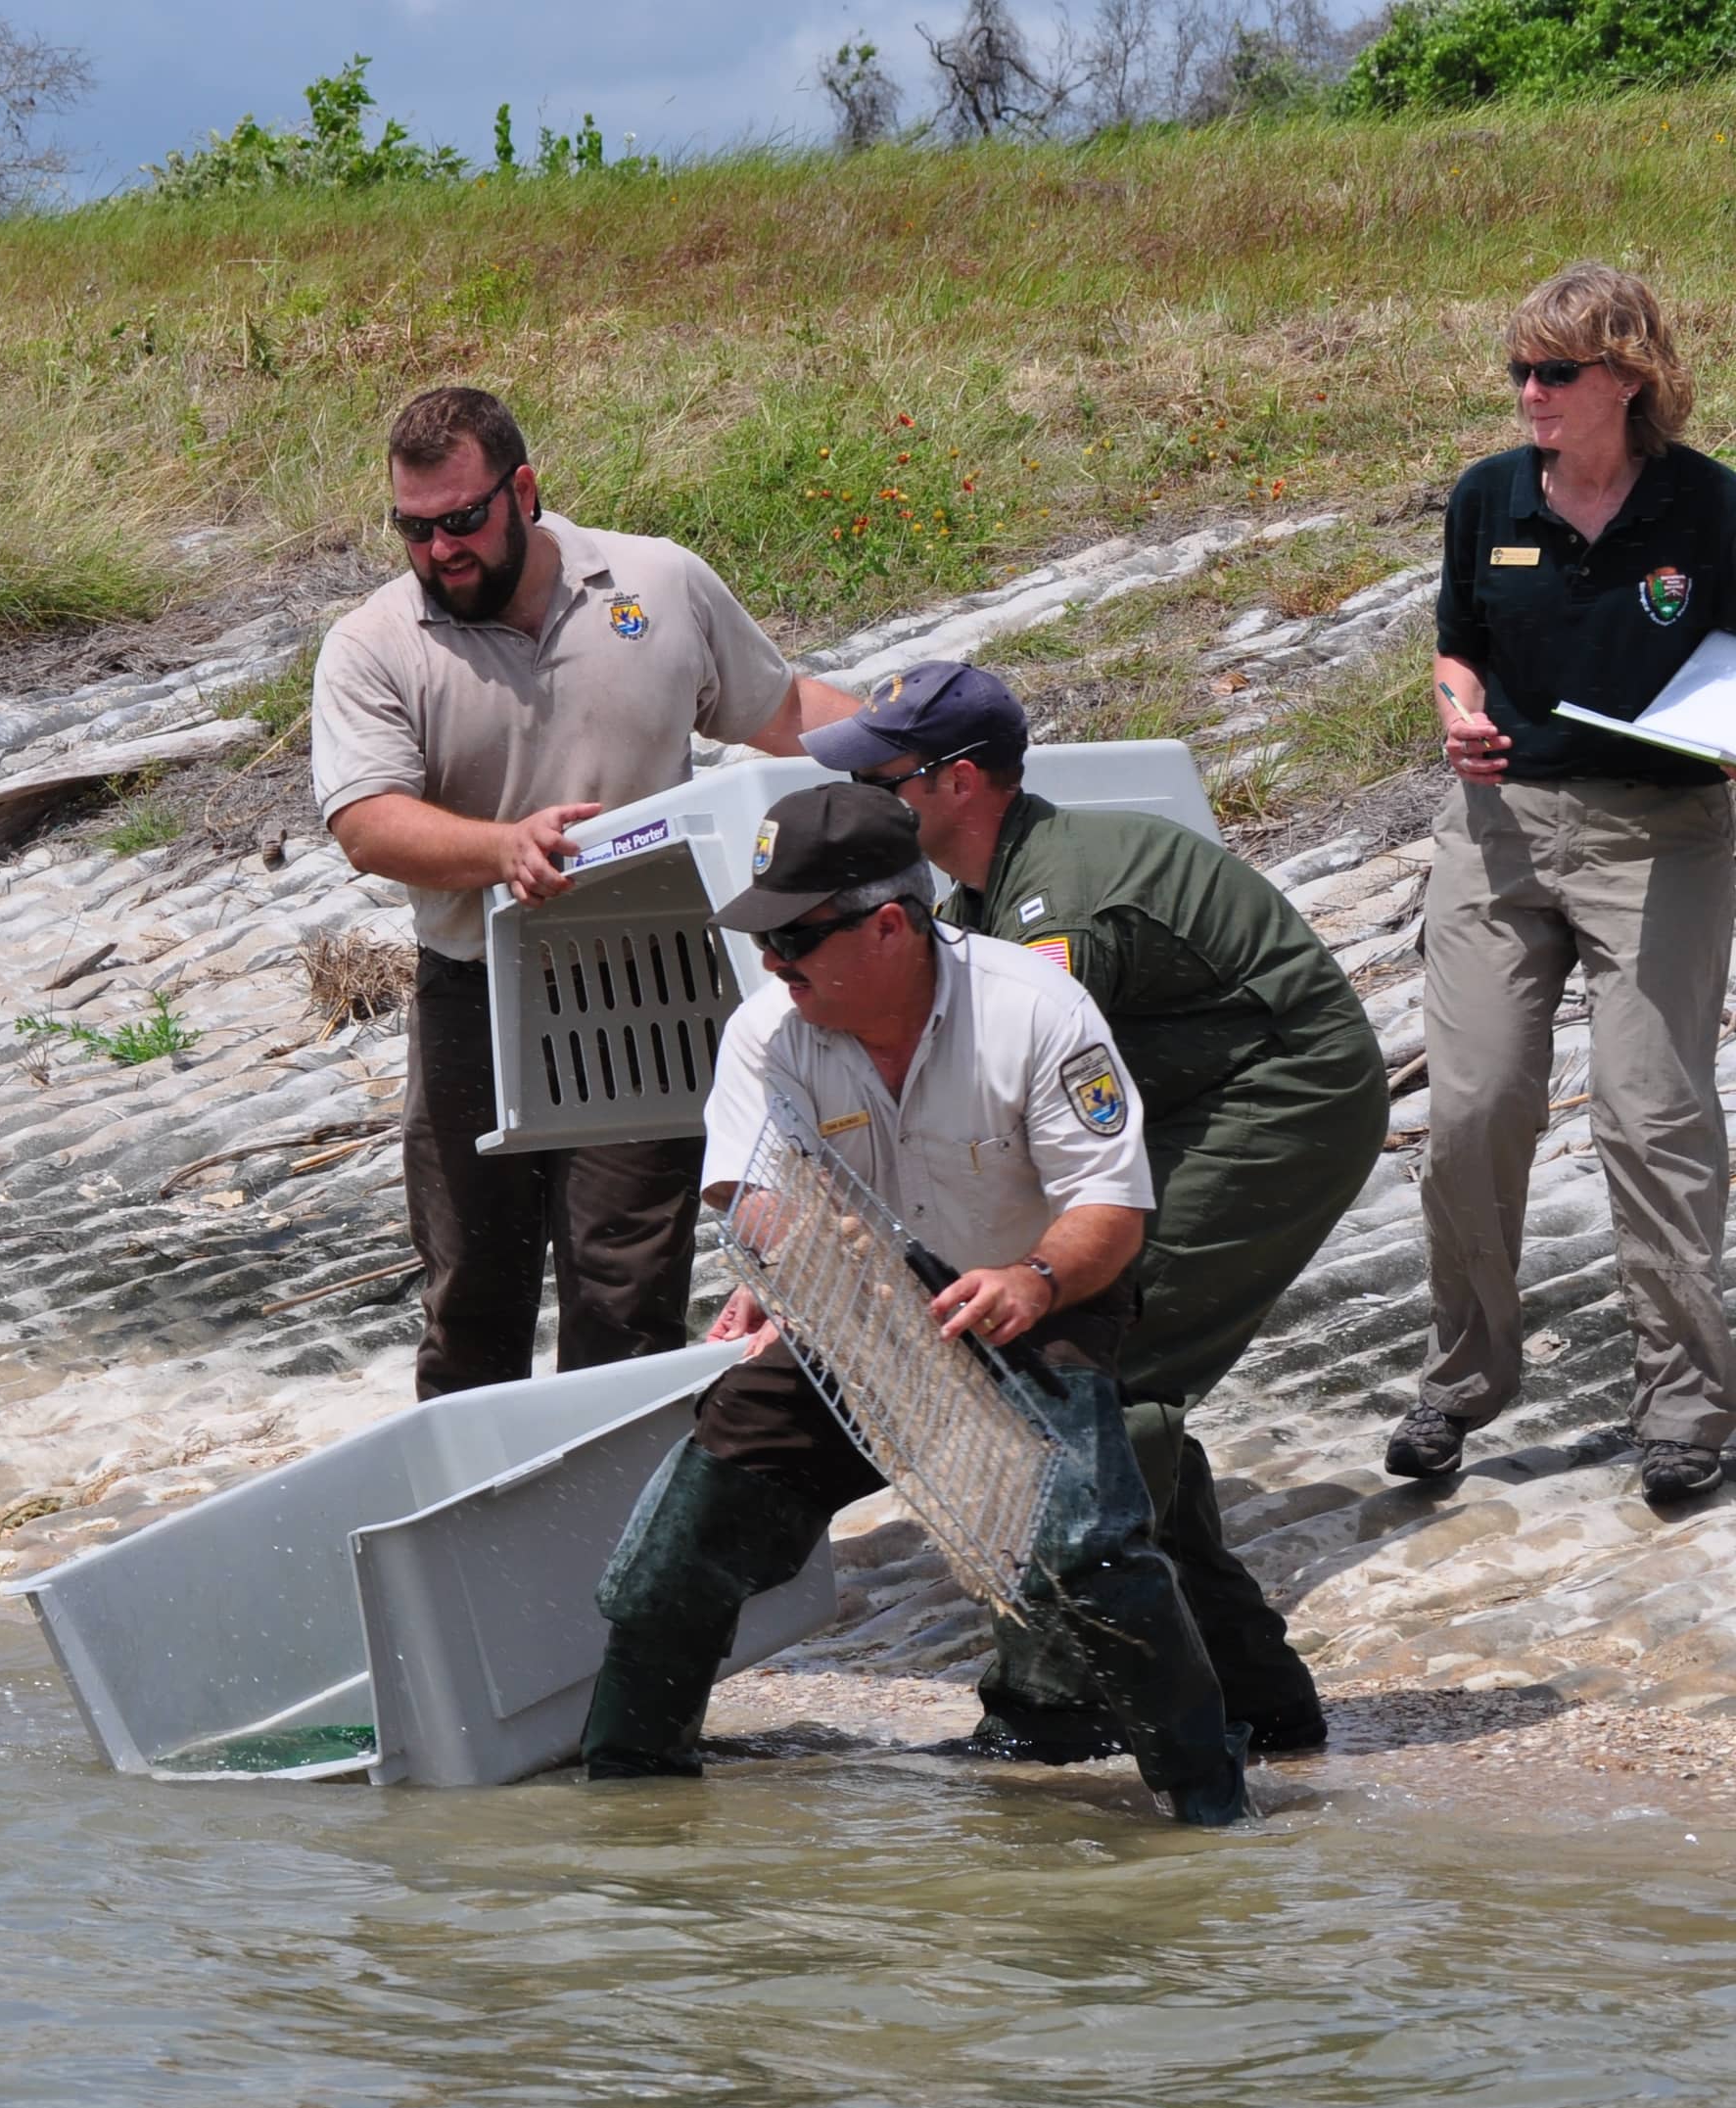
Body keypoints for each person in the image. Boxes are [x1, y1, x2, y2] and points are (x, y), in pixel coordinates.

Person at [577, 783, 1250, 1827]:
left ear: (888, 924)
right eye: (763, 936)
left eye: (796, 936)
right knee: (671, 1557)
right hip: (850, 1316)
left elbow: (1111, 1207)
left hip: (1034, 1300)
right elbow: (744, 1193)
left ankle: (1211, 1813)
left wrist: (1032, 1279)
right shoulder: (768, 1034)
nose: (773, 962)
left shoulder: (1035, 1006)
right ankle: (630, 1814)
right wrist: (787, 1256)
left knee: (1088, 1555)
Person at [803, 660, 1385, 1759]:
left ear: (959, 782)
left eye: (884, 783)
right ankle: (1255, 1696)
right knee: (1107, 1383)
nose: (871, 807)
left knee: (1083, 1370)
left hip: (1276, 1101)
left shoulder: (1051, 910)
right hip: (1177, 1104)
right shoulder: (983, 890)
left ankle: (1048, 1710)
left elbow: (1004, 1103)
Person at [310, 384, 862, 1400]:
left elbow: (782, 710)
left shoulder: (657, 581)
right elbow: (365, 822)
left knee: (624, 1292)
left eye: (464, 520)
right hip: (474, 992)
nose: (442, 553)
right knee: (472, 1292)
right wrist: (500, 849)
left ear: (524, 491)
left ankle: (616, 1529)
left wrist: (918, 747)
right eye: (415, 530)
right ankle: (478, 1536)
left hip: (648, 989)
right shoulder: (373, 643)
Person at [1401, 260, 1736, 1504]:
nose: (1530, 392)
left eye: (1556, 372)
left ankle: (1688, 1409)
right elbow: (1456, 649)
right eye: (1519, 372)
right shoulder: (1488, 496)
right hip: (1497, 828)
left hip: (1664, 833)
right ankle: (1460, 1384)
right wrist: (1458, 715)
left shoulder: (1712, 509)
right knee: (1475, 1110)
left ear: (1627, 379)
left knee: (1652, 1120)